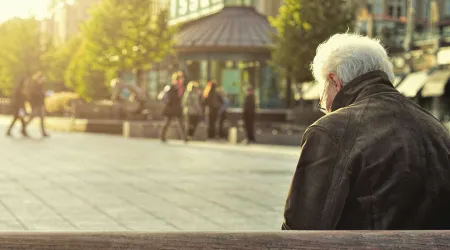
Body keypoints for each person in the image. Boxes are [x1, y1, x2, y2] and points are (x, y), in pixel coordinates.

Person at [282, 33, 450, 230]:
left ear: (334, 81)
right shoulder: (437, 128)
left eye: (322, 100)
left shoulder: (331, 131)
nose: (325, 107)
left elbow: (301, 229)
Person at [160, 73, 187, 143]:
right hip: (171, 108)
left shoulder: (181, 87)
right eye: (181, 79)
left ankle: (185, 138)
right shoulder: (171, 87)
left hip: (177, 108)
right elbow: (169, 97)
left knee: (181, 123)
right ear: (177, 79)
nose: (182, 80)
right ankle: (162, 136)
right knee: (167, 123)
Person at [25, 72, 49, 137]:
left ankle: (43, 132)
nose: (43, 80)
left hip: (40, 104)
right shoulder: (34, 85)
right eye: (42, 79)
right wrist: (43, 94)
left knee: (42, 118)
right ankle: (23, 127)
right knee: (32, 117)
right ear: (39, 78)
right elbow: (33, 95)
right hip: (36, 105)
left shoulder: (40, 85)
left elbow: (40, 95)